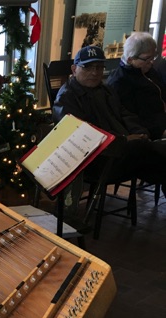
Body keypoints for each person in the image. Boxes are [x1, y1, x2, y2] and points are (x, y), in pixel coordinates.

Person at [52, 45, 166, 215]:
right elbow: (84, 136)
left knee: (156, 161)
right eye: (88, 67)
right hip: (98, 160)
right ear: (74, 69)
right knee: (152, 153)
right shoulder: (66, 98)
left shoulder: (106, 90)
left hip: (124, 154)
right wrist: (127, 140)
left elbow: (125, 114)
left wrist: (141, 132)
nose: (95, 73)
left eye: (99, 67)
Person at [106, 32, 166, 140]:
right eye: (147, 59)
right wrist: (159, 131)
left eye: (153, 57)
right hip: (150, 134)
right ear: (130, 59)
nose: (151, 62)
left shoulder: (148, 71)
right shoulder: (119, 82)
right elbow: (130, 118)